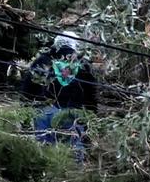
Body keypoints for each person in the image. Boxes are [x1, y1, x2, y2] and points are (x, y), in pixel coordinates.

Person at [21, 32, 97, 160]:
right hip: (73, 115)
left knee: (43, 154)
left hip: (43, 112)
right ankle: (72, 178)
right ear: (74, 45)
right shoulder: (83, 65)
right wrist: (91, 122)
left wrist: (24, 116)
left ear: (56, 44)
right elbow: (91, 97)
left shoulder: (42, 61)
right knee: (72, 157)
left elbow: (27, 90)